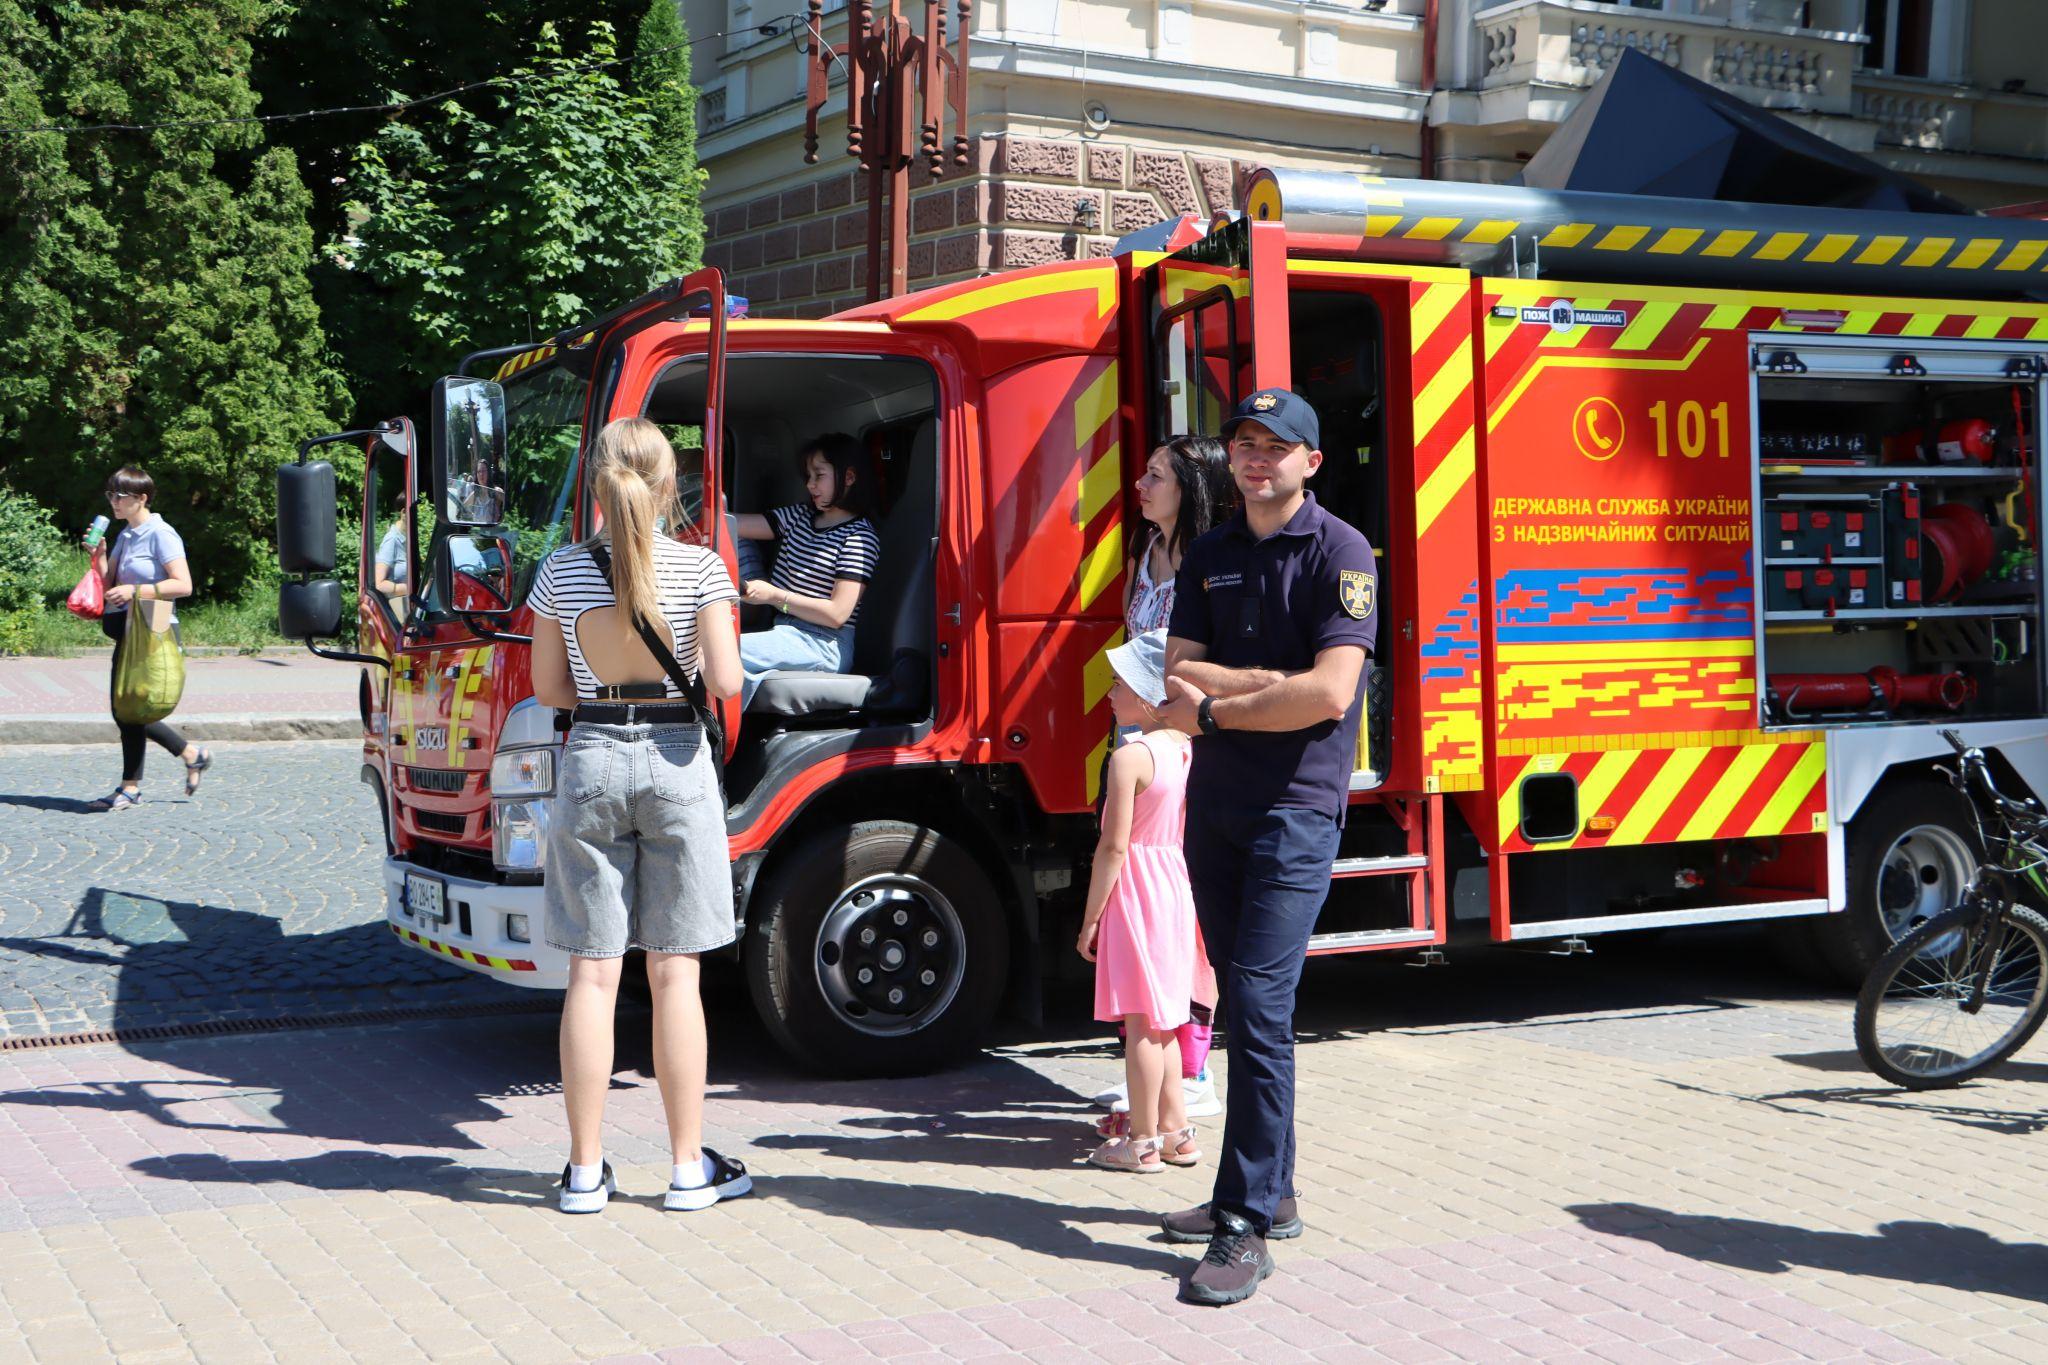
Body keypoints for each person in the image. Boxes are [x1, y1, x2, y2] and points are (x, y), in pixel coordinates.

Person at [1157, 390, 1376, 1307]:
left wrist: (1216, 709)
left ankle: (1242, 1223)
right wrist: (1261, 688)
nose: (1256, 457)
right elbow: (1175, 668)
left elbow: (1329, 693)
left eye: (1276, 446)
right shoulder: (1209, 552)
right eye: (1245, 442)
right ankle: (1270, 1190)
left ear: (1310, 462)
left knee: (1255, 1003)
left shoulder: (1341, 552)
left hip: (1296, 809)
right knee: (1243, 1001)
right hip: (1216, 806)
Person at [526, 417, 751, 1216]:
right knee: (675, 971)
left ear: (596, 482)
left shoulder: (560, 571)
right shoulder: (701, 565)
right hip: (676, 757)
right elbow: (725, 680)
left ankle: (584, 1173)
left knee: (593, 973)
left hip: (592, 751)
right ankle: (687, 1169)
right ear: (668, 483)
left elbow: (550, 688)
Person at [1096, 435, 1234, 1125]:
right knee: (1145, 907)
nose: (1141, 486)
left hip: (1188, 746)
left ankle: (1193, 1066)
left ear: (1191, 488)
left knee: (1184, 912)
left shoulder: (1212, 561)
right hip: (1139, 739)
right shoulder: (1142, 549)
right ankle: (1160, 1072)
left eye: (1156, 476)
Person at [1077, 631, 1202, 1173]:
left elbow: (1114, 846)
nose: (1109, 693)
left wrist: (1091, 919)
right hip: (1174, 883)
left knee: (1140, 1028)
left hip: (1136, 889)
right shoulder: (1186, 748)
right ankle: (1177, 1133)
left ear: (1149, 696)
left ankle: (1142, 1141)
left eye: (1119, 684)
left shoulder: (1129, 757)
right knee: (1166, 1019)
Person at [87, 466, 211, 810]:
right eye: (110, 494)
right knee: (124, 708)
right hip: (129, 631)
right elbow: (111, 585)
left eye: (120, 495)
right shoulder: (126, 535)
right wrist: (98, 558)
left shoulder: (162, 534)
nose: (114, 501)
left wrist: (136, 590)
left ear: (141, 498)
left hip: (155, 630)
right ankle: (189, 755)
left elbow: (183, 584)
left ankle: (134, 785)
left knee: (130, 708)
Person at [729, 433, 881, 708]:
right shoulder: (800, 516)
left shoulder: (859, 537)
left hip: (823, 644)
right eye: (808, 476)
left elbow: (837, 614)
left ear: (849, 477)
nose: (810, 484)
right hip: (785, 631)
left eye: (819, 475)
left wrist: (774, 596)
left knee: (720, 653)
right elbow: (732, 525)